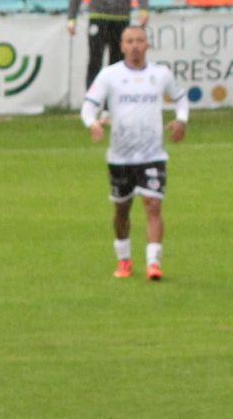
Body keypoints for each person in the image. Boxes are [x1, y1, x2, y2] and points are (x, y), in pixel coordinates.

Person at [81, 23, 188, 283]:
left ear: (147, 45)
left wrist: (181, 119)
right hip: (120, 156)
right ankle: (124, 258)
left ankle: (153, 263)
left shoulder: (161, 74)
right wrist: (92, 122)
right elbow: (88, 105)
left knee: (153, 205)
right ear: (122, 46)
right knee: (122, 210)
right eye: (129, 41)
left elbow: (181, 98)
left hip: (153, 154)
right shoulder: (110, 75)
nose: (135, 46)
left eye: (140, 40)